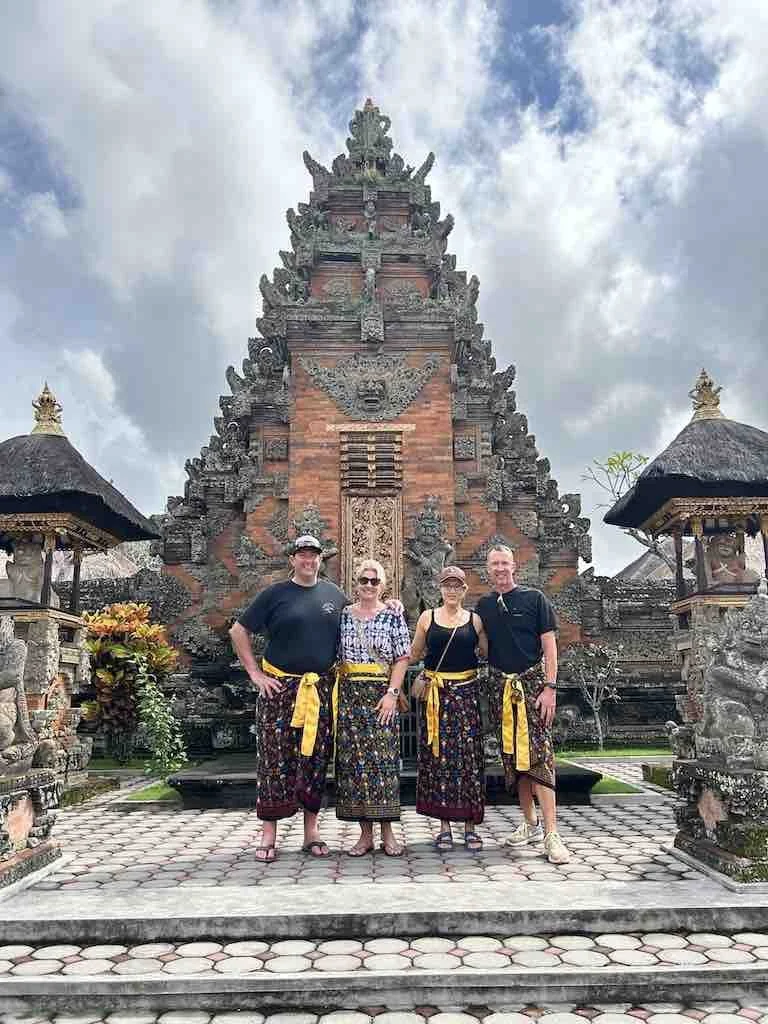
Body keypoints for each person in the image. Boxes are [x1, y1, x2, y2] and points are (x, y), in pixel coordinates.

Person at [229, 535, 343, 863]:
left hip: (318, 690)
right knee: (274, 760)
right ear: (292, 559)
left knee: (315, 759)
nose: (308, 560)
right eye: (302, 555)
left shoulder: (334, 595)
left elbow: (361, 618)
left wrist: (390, 605)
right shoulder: (275, 594)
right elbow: (238, 630)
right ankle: (269, 833)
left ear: (321, 559)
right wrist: (255, 673)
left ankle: (311, 832)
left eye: (313, 555)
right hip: (278, 691)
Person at [475, 544, 570, 865]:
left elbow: (550, 647)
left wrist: (550, 688)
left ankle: (552, 833)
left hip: (532, 688)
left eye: (505, 563)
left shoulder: (535, 599)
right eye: (495, 564)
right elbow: (478, 643)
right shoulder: (484, 606)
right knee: (514, 757)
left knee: (540, 755)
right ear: (488, 570)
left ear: (514, 566)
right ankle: (530, 822)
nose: (500, 569)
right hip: (500, 689)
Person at [335, 558, 411, 857]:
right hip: (350, 695)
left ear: (382, 585)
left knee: (384, 764)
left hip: (382, 695)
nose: (369, 585)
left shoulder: (392, 615)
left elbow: (402, 657)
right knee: (355, 765)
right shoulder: (343, 615)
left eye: (374, 581)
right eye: (364, 580)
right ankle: (364, 835)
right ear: (356, 584)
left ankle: (388, 833)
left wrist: (392, 693)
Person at [410, 565, 488, 851]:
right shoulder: (427, 618)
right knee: (439, 758)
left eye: (457, 586)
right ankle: (444, 827)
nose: (452, 590)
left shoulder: (475, 621)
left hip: (466, 695)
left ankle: (469, 826)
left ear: (464, 589)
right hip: (437, 696)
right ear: (440, 589)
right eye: (447, 585)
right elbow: (413, 654)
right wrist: (397, 673)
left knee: (469, 759)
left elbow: (487, 653)